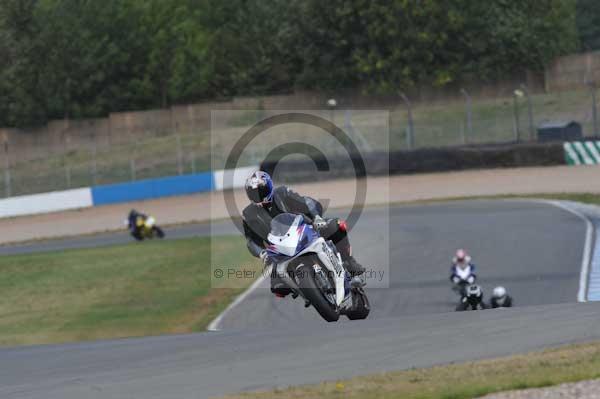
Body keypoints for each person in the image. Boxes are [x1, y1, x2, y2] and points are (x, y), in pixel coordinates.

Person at [242, 171, 365, 297]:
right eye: (254, 193)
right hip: (279, 248)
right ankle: (302, 290)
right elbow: (251, 241)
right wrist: (262, 253)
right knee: (278, 287)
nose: (259, 195)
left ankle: (349, 262)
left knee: (336, 225)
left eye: (261, 190)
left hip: (305, 229)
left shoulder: (282, 193)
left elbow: (306, 203)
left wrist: (316, 217)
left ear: (269, 186)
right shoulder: (248, 214)